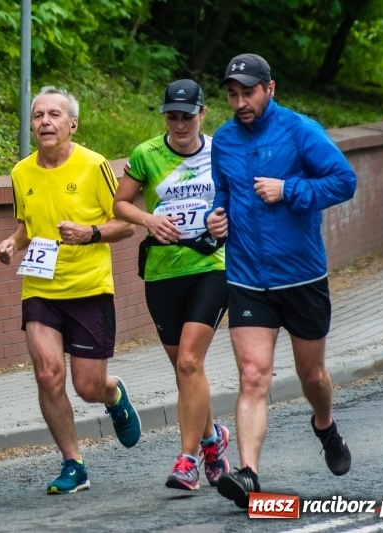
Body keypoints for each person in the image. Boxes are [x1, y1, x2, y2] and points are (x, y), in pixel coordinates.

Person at [206, 53, 356, 509]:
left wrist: (289, 190)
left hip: (302, 276)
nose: (240, 101)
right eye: (233, 94)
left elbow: (344, 181)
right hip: (248, 277)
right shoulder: (226, 141)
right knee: (253, 376)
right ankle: (249, 473)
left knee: (312, 375)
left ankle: (325, 425)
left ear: (270, 89)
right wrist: (217, 220)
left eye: (248, 92)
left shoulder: (300, 130)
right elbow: (223, 195)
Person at [0, 86, 140, 495]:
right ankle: (73, 463)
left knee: (87, 386)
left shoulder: (93, 166)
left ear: (71, 124)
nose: (45, 121)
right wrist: (13, 242)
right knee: (47, 374)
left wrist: (89, 232)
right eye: (38, 114)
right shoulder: (21, 172)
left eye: (54, 114)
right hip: (40, 287)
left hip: (90, 288)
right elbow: (28, 223)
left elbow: (126, 224)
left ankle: (114, 395)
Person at [112, 79, 230, 492]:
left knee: (189, 363)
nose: (180, 125)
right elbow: (120, 204)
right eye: (172, 116)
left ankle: (187, 461)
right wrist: (148, 220)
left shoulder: (222, 150)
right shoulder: (147, 153)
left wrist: (224, 219)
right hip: (162, 274)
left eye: (187, 116)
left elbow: (242, 200)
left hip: (211, 267)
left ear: (203, 113)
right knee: (185, 369)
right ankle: (213, 441)